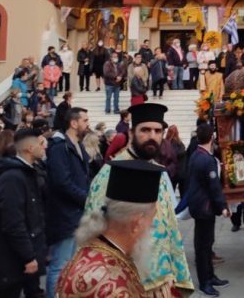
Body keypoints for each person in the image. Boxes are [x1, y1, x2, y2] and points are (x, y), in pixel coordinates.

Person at [83, 103, 193, 297]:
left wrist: (175, 271)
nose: (152, 136)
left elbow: (169, 225)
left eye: (157, 131)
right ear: (131, 133)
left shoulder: (158, 171)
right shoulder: (111, 173)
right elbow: (94, 232)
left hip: (163, 282)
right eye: (145, 130)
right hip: (126, 284)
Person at [57, 160, 163, 297]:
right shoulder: (114, 288)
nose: (152, 226)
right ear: (137, 223)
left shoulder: (88, 251)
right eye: (152, 218)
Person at [0, 129, 47, 298]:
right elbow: (13, 222)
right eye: (41, 144)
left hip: (20, 255)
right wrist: (28, 256)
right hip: (9, 259)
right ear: (30, 148)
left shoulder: (28, 173)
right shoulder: (13, 178)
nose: (45, 147)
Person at [45, 107, 91, 298]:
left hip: (76, 214)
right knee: (60, 264)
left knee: (72, 264)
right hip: (64, 215)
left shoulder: (77, 145)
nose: (88, 124)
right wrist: (86, 199)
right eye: (85, 121)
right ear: (74, 123)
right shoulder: (59, 147)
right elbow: (62, 183)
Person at [187, 123, 230, 296]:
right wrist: (223, 207)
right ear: (212, 137)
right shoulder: (207, 159)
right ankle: (205, 281)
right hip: (205, 207)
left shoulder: (196, 154)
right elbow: (214, 187)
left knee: (206, 243)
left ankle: (210, 276)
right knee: (204, 246)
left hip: (199, 205)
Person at [158, 125, 187, 195]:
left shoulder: (166, 145)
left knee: (169, 193)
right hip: (180, 173)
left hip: (170, 172)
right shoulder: (181, 145)